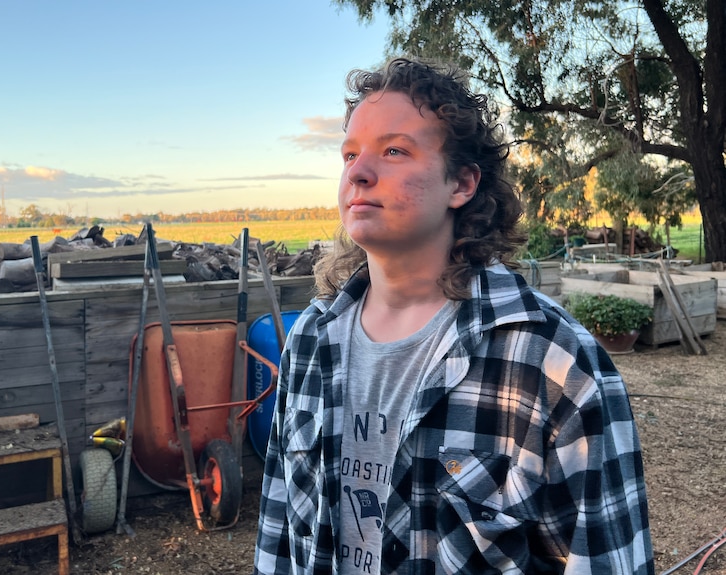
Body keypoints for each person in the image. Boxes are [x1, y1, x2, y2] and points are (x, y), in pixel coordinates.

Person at [253, 57, 654, 574]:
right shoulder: (309, 339)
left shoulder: (550, 361)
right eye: (349, 154)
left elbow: (605, 559)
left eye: (393, 150)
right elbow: (279, 532)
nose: (358, 171)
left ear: (462, 184)